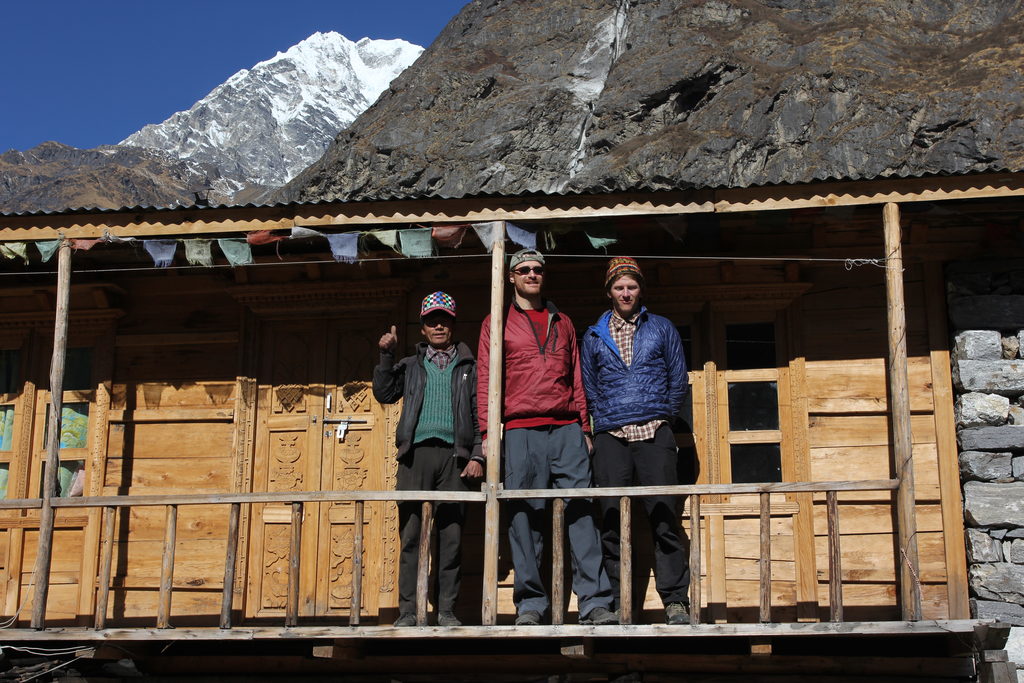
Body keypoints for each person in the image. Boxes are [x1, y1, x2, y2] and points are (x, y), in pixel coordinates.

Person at [477, 249, 617, 626]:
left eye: (538, 269)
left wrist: (584, 428)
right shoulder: (497, 322)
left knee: (582, 512)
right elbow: (487, 380)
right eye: (523, 270)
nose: (532, 275)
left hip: (567, 428)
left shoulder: (564, 322)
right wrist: (490, 432)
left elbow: (576, 379)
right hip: (521, 431)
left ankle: (594, 602)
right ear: (510, 277)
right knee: (524, 518)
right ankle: (531, 605)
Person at [581, 256, 691, 625]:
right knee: (612, 521)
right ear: (609, 291)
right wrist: (605, 419)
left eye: (631, 286)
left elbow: (678, 379)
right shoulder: (594, 335)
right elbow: (589, 387)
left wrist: (663, 415)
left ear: (640, 290)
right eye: (619, 287)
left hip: (653, 432)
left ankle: (675, 601)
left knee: (664, 518)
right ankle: (614, 601)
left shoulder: (661, 328)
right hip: (611, 434)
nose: (625, 293)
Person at [372, 291, 484, 627]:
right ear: (422, 328)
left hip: (455, 459)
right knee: (412, 536)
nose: (438, 326)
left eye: (444, 320)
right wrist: (386, 357)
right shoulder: (409, 365)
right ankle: (409, 611)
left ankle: (446, 610)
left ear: (452, 324)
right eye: (431, 321)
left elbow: (480, 414)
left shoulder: (470, 366)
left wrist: (477, 454)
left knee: (450, 538)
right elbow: (384, 393)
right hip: (415, 457)